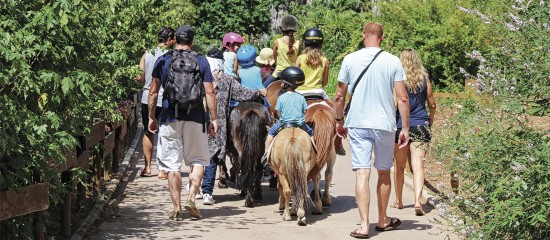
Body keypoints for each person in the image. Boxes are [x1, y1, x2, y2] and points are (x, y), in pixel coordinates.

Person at [334, 22, 410, 238]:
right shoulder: (393, 61)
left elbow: (339, 95)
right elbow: (403, 97)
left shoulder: (350, 59)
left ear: (363, 35)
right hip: (384, 124)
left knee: (362, 173)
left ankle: (364, 225)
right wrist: (404, 128)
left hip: (358, 123)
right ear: (382, 38)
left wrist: (340, 120)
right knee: (384, 171)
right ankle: (383, 219)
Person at [148, 25, 218, 221]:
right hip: (196, 118)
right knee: (199, 161)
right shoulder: (201, 61)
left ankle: (177, 208)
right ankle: (191, 199)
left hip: (170, 118)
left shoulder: (163, 60)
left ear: (174, 39)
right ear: (192, 41)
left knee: (172, 165)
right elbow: (210, 92)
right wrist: (214, 119)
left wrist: (151, 117)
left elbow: (153, 92)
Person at [391, 48, 436, 216]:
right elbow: (432, 104)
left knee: (399, 166)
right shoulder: (425, 80)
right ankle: (418, 201)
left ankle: (399, 200)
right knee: (419, 165)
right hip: (421, 125)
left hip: (401, 126)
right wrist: (430, 120)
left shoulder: (398, 81)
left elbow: (396, 104)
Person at [136, 26, 175, 178]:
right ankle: (162, 170)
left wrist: (147, 81)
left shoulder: (147, 54)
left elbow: (139, 76)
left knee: (148, 132)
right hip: (166, 98)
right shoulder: (172, 55)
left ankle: (147, 168)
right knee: (165, 133)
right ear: (169, 39)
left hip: (147, 98)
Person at [264, 66, 313, 153]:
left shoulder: (281, 97)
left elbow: (278, 112)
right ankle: (315, 149)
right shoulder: (301, 97)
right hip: (300, 123)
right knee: (311, 133)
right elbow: (305, 111)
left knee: (271, 132)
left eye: (282, 81)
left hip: (284, 122)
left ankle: (266, 151)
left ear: (286, 84)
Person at [262, 15, 301, 88]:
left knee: (262, 89)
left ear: (281, 28)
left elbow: (275, 58)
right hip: (293, 74)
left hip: (279, 72)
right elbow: (299, 59)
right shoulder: (299, 43)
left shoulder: (277, 42)